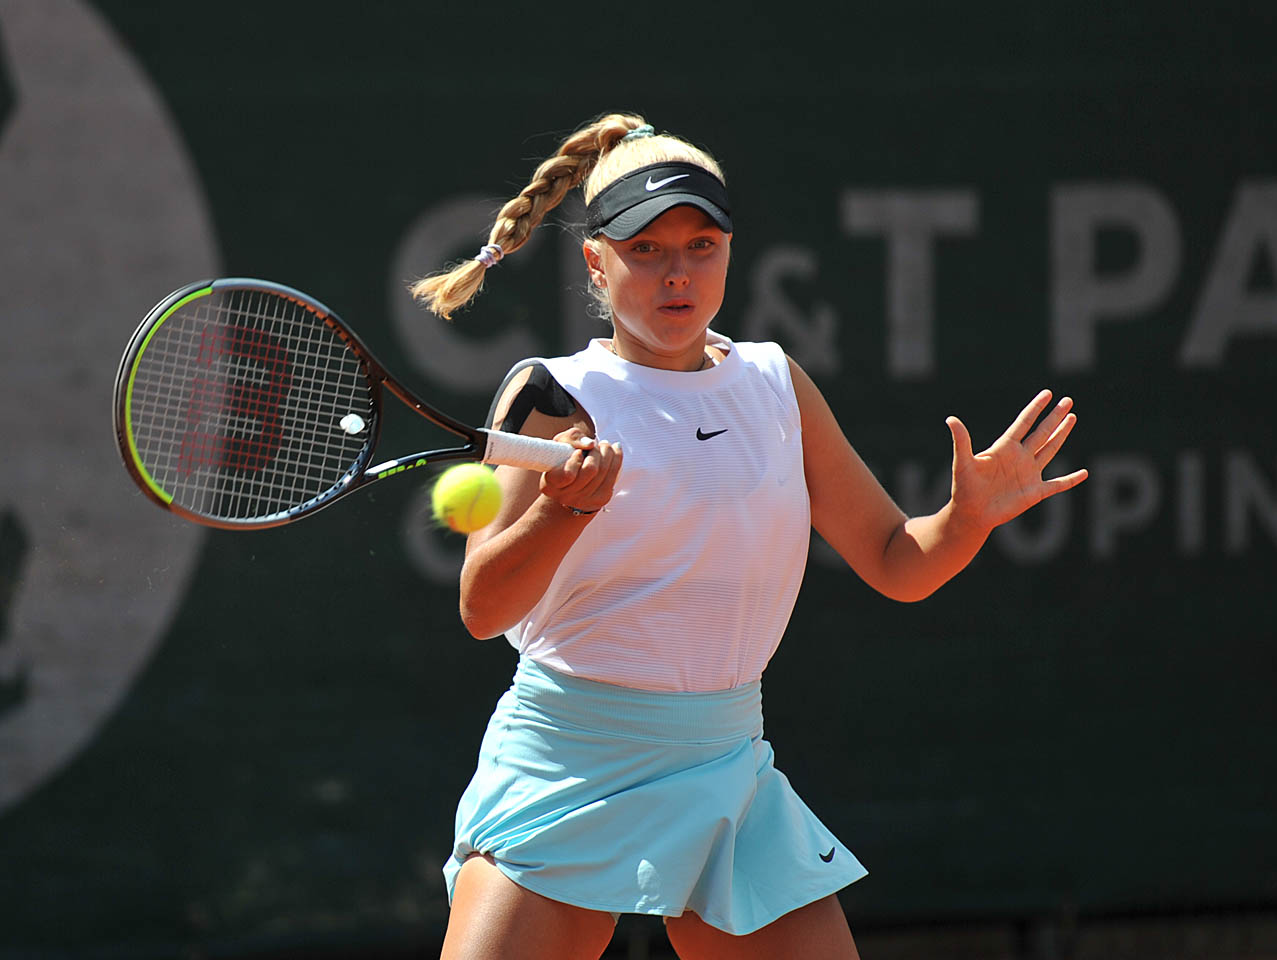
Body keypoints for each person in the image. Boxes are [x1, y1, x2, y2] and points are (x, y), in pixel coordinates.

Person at [412, 113, 1088, 960]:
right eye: (646, 250)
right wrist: (562, 511)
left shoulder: (775, 383)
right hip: (568, 766)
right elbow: (483, 607)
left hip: (727, 768)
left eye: (701, 246)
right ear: (595, 261)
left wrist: (966, 520)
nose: (678, 273)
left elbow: (898, 563)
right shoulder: (552, 395)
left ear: (729, 251)